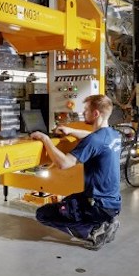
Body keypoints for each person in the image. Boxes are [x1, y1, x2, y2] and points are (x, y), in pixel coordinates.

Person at [29, 94, 121, 250]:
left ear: (96, 113)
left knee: (43, 214)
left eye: (86, 110)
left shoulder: (95, 140)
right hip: (112, 203)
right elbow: (93, 137)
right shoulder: (113, 135)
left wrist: (45, 140)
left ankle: (95, 231)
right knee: (67, 201)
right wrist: (70, 130)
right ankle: (106, 222)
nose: (83, 113)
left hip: (97, 204)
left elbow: (64, 163)